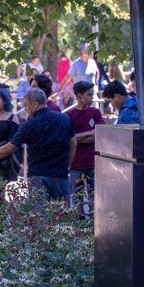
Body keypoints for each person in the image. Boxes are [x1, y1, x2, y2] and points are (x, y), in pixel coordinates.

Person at [0, 88, 76, 202]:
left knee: (38, 216)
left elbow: (9, 148)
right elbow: (74, 143)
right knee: (64, 215)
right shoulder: (64, 119)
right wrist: (67, 165)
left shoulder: (29, 125)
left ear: (35, 104)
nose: (25, 109)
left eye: (26, 105)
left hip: (38, 176)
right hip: (61, 175)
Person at [64, 82, 104, 213]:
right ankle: (79, 229)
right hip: (76, 164)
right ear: (79, 96)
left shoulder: (95, 112)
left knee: (96, 199)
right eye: (89, 95)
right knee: (77, 200)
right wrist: (90, 134)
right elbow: (68, 140)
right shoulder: (69, 116)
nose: (92, 98)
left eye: (93, 94)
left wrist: (77, 137)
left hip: (93, 163)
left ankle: (95, 227)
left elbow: (100, 134)